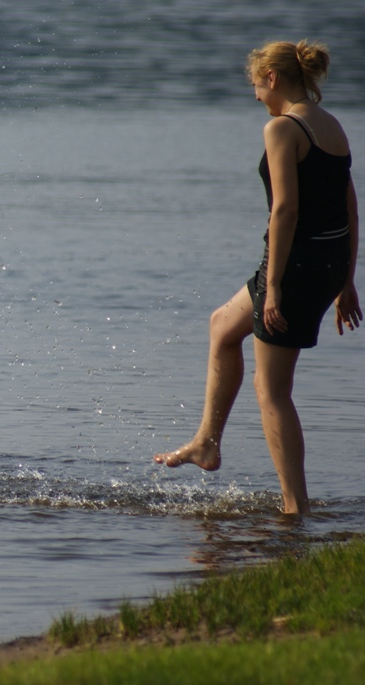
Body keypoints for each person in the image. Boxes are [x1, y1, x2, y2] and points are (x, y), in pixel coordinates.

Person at [153, 40, 362, 515]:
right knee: (222, 327)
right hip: (326, 263)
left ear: (272, 77)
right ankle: (207, 443)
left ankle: (295, 508)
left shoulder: (282, 129)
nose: (254, 94)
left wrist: (274, 288)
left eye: (255, 83)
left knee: (273, 392)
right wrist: (346, 280)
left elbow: (284, 210)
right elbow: (349, 206)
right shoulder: (332, 126)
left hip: (292, 268)